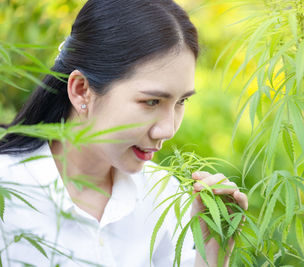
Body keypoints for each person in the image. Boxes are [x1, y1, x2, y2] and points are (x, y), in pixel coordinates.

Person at [0, 0, 248, 266]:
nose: (168, 129)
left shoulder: (162, 194)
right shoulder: (8, 189)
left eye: (181, 102)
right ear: (82, 90)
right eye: (151, 102)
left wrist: (213, 254)